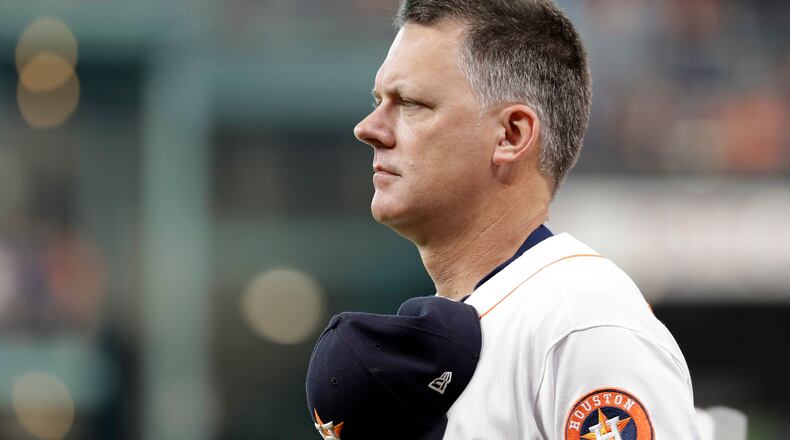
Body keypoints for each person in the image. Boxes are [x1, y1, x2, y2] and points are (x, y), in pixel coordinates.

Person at [310, 0, 703, 439]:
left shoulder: (579, 323)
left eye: (410, 103)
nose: (368, 127)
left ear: (511, 135)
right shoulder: (492, 320)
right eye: (379, 101)